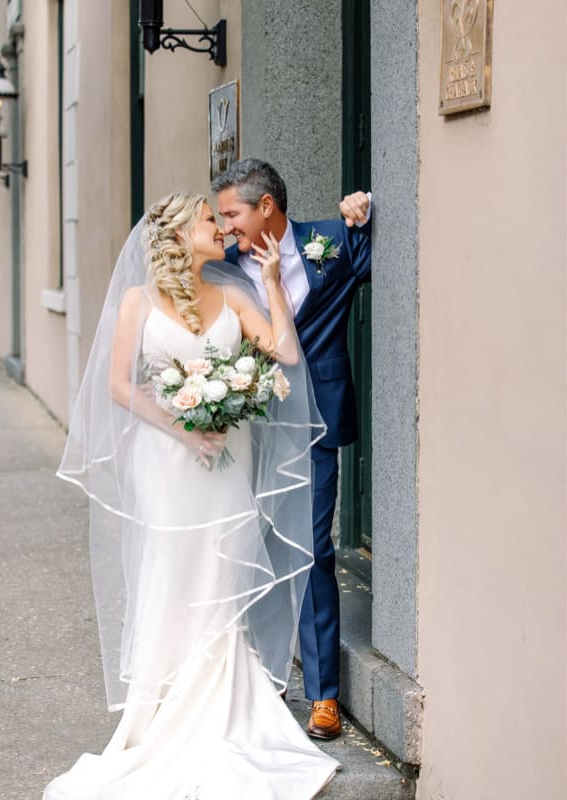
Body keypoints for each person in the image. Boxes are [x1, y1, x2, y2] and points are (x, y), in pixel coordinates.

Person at [48, 192, 337, 798]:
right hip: (167, 463)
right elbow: (119, 384)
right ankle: (160, 708)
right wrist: (184, 426)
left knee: (218, 575)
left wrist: (270, 285)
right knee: (172, 573)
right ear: (179, 234)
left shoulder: (235, 293)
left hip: (226, 463)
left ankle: (217, 706)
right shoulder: (138, 301)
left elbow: (283, 352)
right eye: (210, 220)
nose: (220, 229)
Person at [211, 159, 373, 740]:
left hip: (316, 425)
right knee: (250, 549)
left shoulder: (329, 242)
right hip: (250, 427)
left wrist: (365, 207)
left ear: (267, 209)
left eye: (232, 213)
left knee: (313, 549)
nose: (226, 225)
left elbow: (394, 257)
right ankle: (259, 677)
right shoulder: (220, 270)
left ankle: (324, 695)